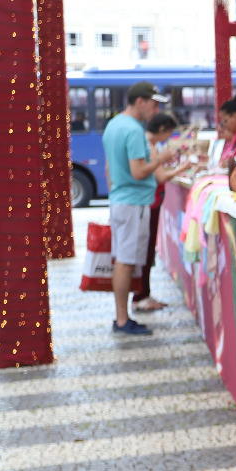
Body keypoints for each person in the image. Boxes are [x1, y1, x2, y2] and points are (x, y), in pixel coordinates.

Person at [101, 81, 179, 336]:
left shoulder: (113, 125)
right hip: (133, 202)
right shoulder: (133, 130)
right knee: (125, 262)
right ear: (140, 101)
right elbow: (138, 172)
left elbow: (109, 169)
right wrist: (161, 158)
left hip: (122, 200)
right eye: (153, 103)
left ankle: (122, 317)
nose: (155, 110)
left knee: (123, 261)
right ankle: (122, 320)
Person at [132, 111, 191, 313]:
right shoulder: (150, 147)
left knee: (145, 252)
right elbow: (161, 177)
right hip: (150, 203)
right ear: (162, 129)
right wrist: (182, 167)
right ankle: (141, 295)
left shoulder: (146, 144)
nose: (169, 138)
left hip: (147, 203)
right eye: (169, 133)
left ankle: (143, 293)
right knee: (145, 252)